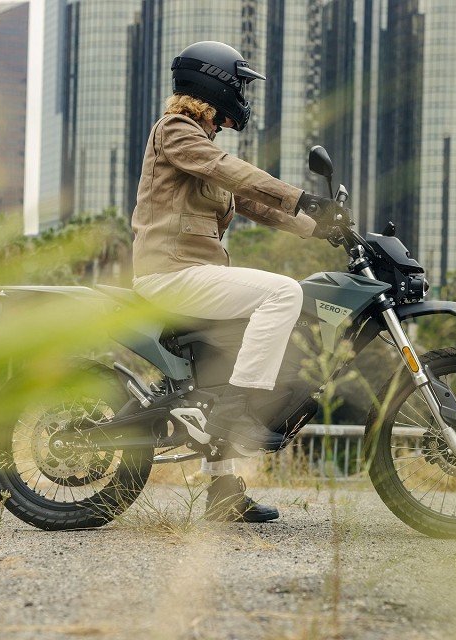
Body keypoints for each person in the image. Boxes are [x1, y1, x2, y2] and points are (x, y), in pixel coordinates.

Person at [130, 41, 342, 522]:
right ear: (215, 84)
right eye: (240, 86)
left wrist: (317, 226)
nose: (243, 97)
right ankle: (238, 408)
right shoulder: (175, 131)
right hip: (170, 272)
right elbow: (233, 174)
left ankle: (223, 493)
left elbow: (250, 202)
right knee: (284, 292)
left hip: (193, 275)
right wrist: (303, 197)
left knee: (221, 372)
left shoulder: (201, 145)